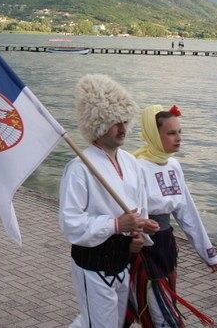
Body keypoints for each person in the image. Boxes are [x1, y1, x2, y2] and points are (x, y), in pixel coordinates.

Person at [59, 74, 159, 328]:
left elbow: (138, 209)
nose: (122, 128)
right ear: (97, 123)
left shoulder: (131, 162)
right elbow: (71, 224)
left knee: (112, 323)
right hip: (92, 263)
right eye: (115, 122)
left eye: (125, 121)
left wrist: (142, 228)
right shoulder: (79, 168)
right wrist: (115, 225)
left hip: (123, 261)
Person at [126, 105, 217, 327]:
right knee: (156, 309)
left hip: (166, 244)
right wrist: (141, 232)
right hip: (145, 247)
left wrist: (207, 253)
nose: (178, 138)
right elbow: (133, 210)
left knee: (158, 302)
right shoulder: (137, 166)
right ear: (153, 134)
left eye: (179, 132)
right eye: (171, 133)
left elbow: (187, 211)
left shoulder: (174, 165)